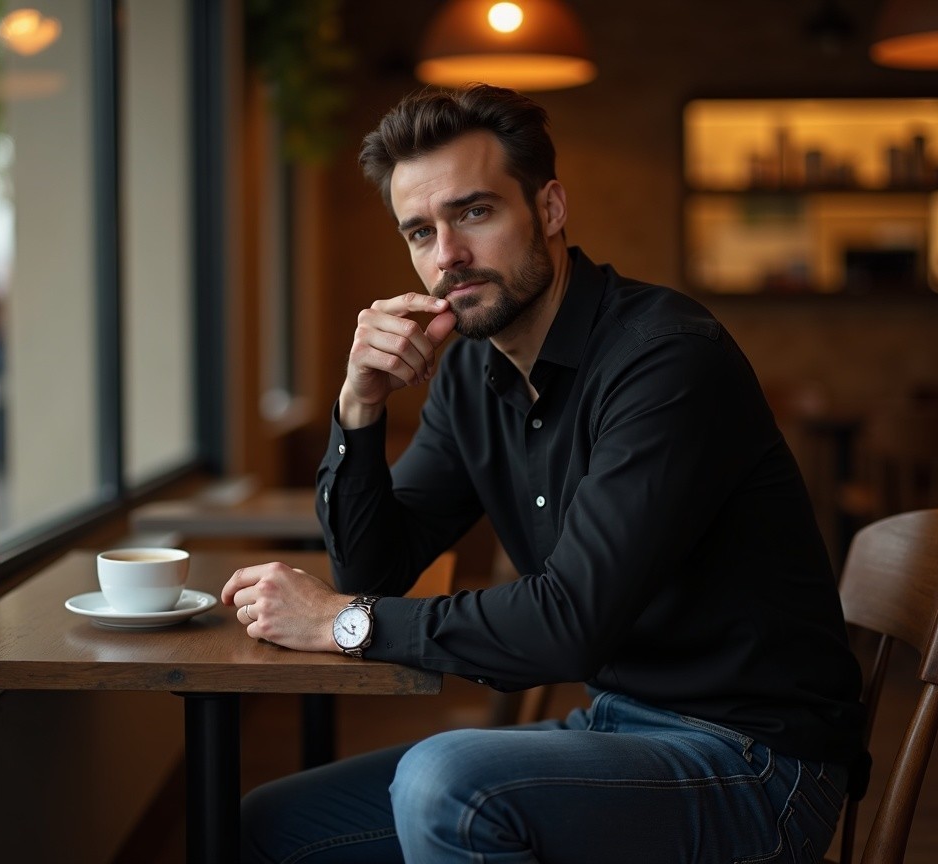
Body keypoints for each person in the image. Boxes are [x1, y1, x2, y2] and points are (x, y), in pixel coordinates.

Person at [221, 83, 868, 863]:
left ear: (551, 209)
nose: (447, 256)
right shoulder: (469, 377)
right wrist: (357, 403)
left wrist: (337, 622)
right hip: (619, 729)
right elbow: (375, 569)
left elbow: (569, 622)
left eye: (474, 212)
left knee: (448, 781)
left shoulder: (665, 359)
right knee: (267, 825)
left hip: (754, 764)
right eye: (420, 232)